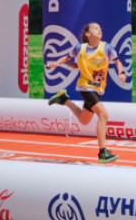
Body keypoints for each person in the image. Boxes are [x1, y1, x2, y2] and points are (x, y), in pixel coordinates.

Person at [45, 22, 127, 164]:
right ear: (88, 34)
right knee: (103, 114)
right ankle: (103, 152)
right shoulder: (79, 48)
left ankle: (64, 100)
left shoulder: (107, 48)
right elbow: (67, 57)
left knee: (84, 120)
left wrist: (121, 72)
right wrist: (56, 63)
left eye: (100, 28)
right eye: (95, 28)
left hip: (98, 89)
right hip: (85, 87)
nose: (99, 29)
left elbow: (117, 62)